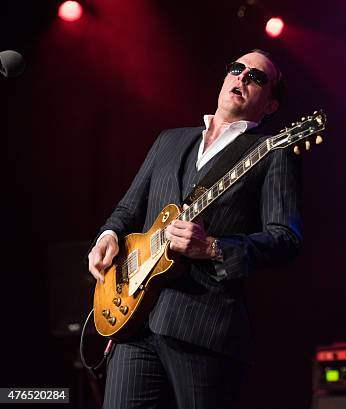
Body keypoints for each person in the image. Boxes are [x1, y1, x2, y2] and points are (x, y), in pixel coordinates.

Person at [87, 50, 301, 409]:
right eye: (237, 69)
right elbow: (127, 209)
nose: (243, 78)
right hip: (134, 319)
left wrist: (214, 247)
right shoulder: (169, 140)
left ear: (270, 106)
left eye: (257, 77)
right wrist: (107, 236)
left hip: (203, 326)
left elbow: (286, 239)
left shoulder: (271, 152)